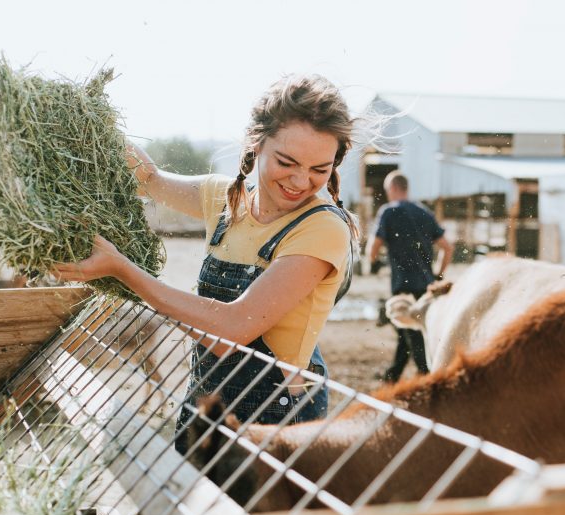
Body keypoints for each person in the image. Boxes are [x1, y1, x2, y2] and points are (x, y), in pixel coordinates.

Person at [52, 74, 361, 453]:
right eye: (287, 161)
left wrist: (123, 269)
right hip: (207, 402)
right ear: (256, 144)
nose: (301, 181)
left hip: (277, 421)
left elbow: (231, 330)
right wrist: (86, 120)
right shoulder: (225, 198)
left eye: (320, 169)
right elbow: (148, 179)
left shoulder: (323, 228)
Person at [368, 171, 453, 382]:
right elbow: (447, 247)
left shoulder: (388, 212)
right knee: (407, 331)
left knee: (412, 334)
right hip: (426, 285)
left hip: (402, 284)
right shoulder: (424, 212)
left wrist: (374, 263)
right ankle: (393, 374)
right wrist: (438, 274)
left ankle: (426, 376)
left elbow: (373, 247)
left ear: (393, 189)